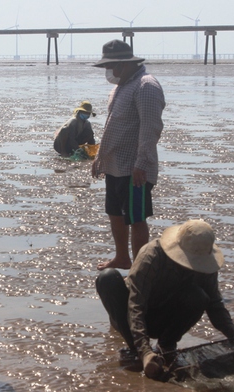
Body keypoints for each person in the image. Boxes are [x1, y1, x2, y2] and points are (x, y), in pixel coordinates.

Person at [95, 220, 234, 379]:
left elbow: (215, 305)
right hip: (129, 317)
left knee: (199, 296)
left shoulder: (206, 265)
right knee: (107, 277)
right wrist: (144, 351)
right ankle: (137, 350)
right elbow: (136, 306)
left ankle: (166, 345)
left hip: (164, 317)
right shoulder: (152, 255)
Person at [91, 39, 166, 271]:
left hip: (135, 168)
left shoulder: (146, 86)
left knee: (136, 218)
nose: (109, 72)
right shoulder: (121, 86)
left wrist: (141, 163)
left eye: (111, 66)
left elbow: (150, 127)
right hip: (114, 164)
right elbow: (112, 125)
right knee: (115, 213)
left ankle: (139, 268)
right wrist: (100, 158)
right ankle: (122, 257)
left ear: (124, 64)